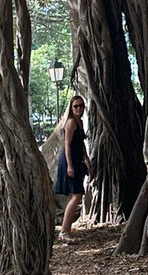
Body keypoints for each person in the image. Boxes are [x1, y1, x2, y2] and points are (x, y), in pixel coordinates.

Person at [54, 94, 91, 242]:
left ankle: (66, 230)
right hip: (69, 161)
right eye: (76, 106)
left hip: (77, 161)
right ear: (71, 108)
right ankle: (64, 232)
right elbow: (67, 145)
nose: (79, 108)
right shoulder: (70, 123)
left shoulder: (80, 122)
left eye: (81, 106)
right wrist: (70, 165)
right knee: (77, 195)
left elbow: (80, 144)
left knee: (75, 195)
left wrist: (87, 160)